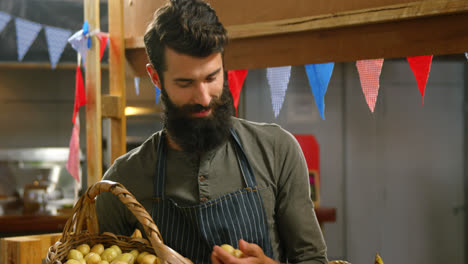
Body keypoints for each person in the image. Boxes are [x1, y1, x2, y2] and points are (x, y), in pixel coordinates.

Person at [96, 0, 328, 263]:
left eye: (211, 78)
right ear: (156, 78)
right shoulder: (125, 178)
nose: (204, 98)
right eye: (185, 83)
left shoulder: (276, 150)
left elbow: (313, 259)